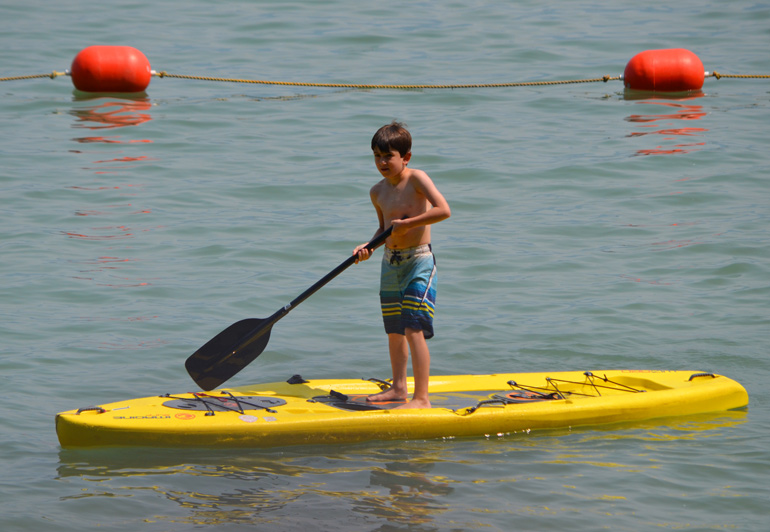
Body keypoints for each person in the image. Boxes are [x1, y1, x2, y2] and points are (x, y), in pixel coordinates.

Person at [353, 121, 451, 409]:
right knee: (394, 330)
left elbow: (443, 210)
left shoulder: (417, 179)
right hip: (390, 265)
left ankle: (421, 398)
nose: (382, 162)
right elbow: (383, 230)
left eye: (388, 156)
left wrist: (408, 223)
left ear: (405, 157)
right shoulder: (377, 192)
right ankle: (398, 389)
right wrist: (367, 247)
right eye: (377, 156)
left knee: (413, 327)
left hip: (419, 262)